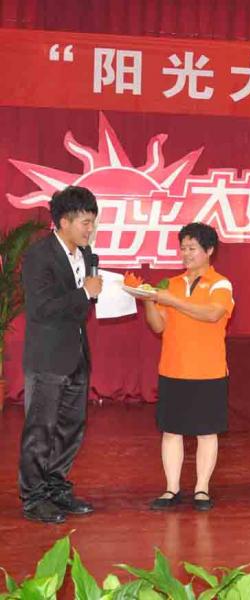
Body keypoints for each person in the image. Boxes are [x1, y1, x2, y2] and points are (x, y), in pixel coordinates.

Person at [19, 185, 101, 523]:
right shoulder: (40, 255)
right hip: (48, 358)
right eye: (85, 222)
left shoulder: (87, 254)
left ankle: (56, 488)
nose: (90, 229)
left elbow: (82, 305)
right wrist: (84, 293)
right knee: (41, 430)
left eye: (93, 221)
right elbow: (41, 308)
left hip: (77, 354)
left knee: (70, 428)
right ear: (63, 221)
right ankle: (34, 497)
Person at [143, 223, 235, 511]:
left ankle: (202, 488)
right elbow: (158, 326)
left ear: (209, 251)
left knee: (207, 432)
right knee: (171, 431)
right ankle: (171, 489)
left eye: (192, 248)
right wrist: (150, 301)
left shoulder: (221, 284)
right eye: (183, 248)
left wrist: (172, 301)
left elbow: (212, 314)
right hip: (173, 367)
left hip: (208, 370)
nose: (186, 254)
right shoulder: (169, 284)